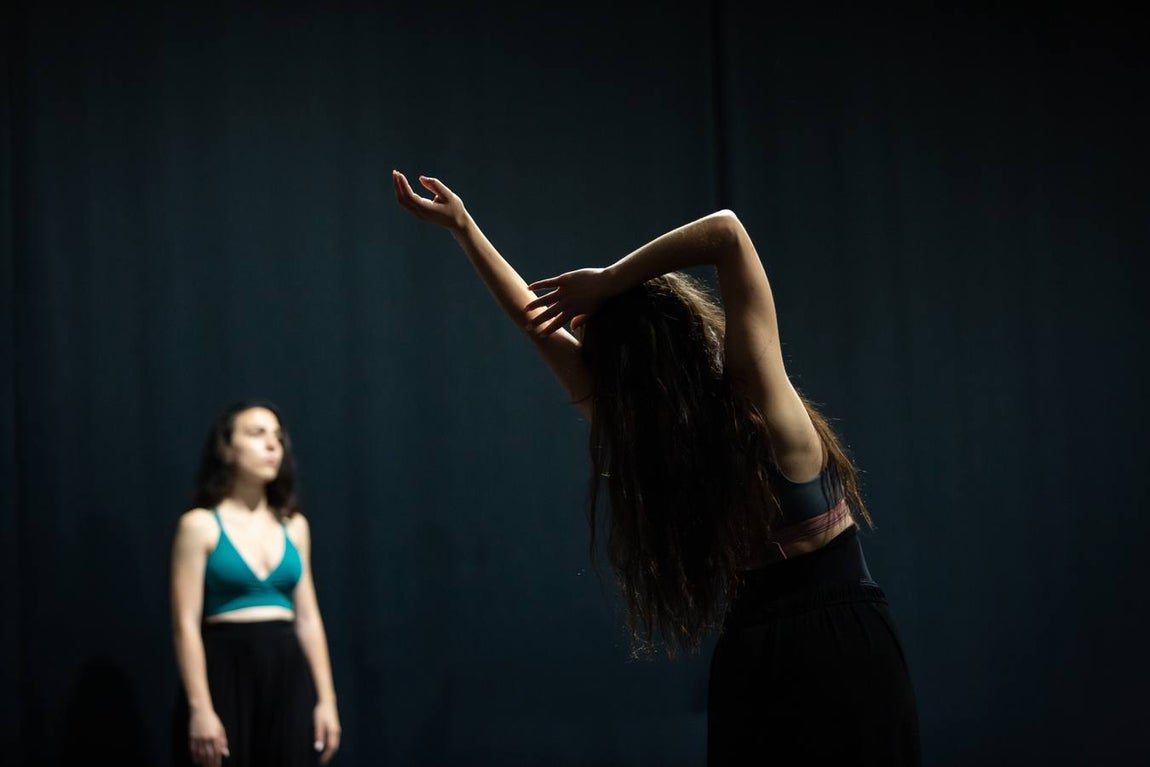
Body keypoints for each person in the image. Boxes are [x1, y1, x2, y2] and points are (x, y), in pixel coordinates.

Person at [392, 169, 921, 764]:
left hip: (795, 649)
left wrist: (471, 231)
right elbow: (725, 234)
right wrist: (603, 281)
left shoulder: (723, 415)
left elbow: (537, 320)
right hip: (821, 642)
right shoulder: (741, 406)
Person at [170, 400, 341, 767]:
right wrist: (200, 708)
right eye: (256, 433)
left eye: (278, 436)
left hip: (287, 673)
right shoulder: (200, 526)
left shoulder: (294, 527)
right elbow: (185, 624)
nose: (272, 445)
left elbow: (308, 619)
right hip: (226, 668)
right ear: (227, 449)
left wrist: (327, 700)